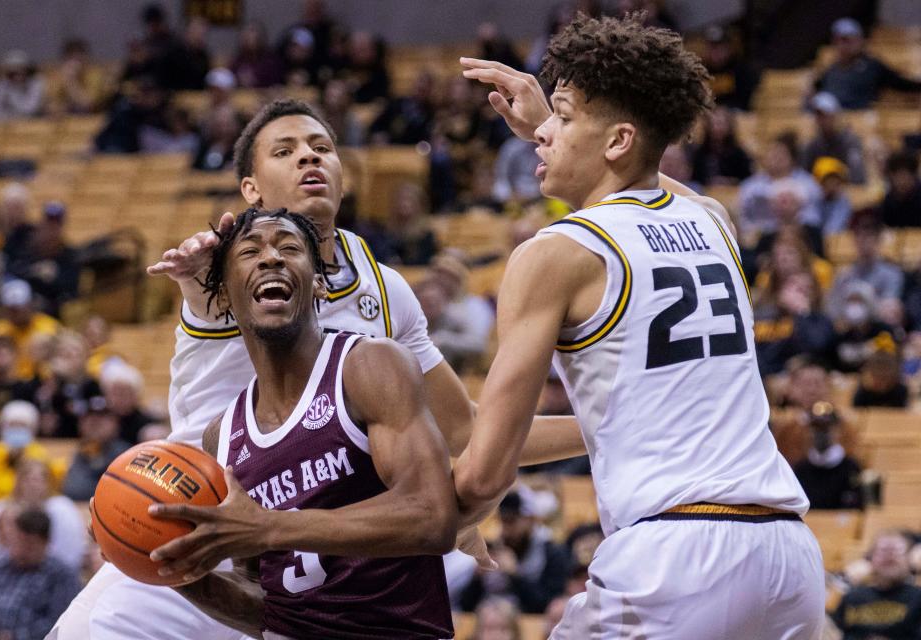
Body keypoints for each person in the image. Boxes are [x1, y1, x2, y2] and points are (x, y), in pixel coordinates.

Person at [49, 98, 583, 640]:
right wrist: (195, 277)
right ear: (251, 188)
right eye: (285, 151)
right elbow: (206, 286)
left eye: (321, 148)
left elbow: (466, 431)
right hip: (194, 519)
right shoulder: (229, 266)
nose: (309, 157)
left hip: (321, 548)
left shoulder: (385, 288)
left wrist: (605, 428)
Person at [456, 14, 823, 638]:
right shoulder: (713, 223)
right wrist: (557, 123)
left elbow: (486, 472)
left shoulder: (554, 254)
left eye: (564, 118)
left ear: (618, 140)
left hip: (674, 557)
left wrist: (443, 516)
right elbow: (649, 178)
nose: (545, 135)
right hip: (789, 558)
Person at [149, 208, 457, 639]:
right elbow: (266, 606)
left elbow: (432, 517)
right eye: (250, 251)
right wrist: (168, 567)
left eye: (289, 248)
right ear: (225, 296)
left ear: (318, 285)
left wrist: (269, 527)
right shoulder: (223, 435)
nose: (271, 258)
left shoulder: (368, 365)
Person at [0, 508, 80, 640]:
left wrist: (12, 637)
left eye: (30, 545)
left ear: (46, 543)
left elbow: (59, 625)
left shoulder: (61, 576)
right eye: (18, 541)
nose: (21, 550)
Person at [459, 491, 569, 614]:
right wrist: (477, 579)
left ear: (530, 520)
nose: (506, 530)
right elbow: (465, 606)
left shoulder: (552, 553)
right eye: (503, 521)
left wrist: (515, 575)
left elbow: (547, 607)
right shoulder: (492, 549)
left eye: (511, 521)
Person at [0, 458, 87, 571]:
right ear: (18, 482)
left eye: (39, 480)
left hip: (53, 573)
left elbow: (71, 553)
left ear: (49, 483)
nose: (33, 485)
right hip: (6, 573)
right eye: (28, 480)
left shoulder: (62, 509)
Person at [815, 18, 921, 110]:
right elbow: (818, 94)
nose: (843, 45)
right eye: (839, 40)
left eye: (847, 40)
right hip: (833, 120)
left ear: (860, 40)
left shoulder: (873, 66)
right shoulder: (830, 70)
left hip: (860, 120)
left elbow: (900, 83)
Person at [833, 531, 921, 638]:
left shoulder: (917, 598)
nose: (890, 556)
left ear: (909, 560)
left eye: (897, 551)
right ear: (870, 559)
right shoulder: (852, 597)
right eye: (883, 551)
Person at [0, 401, 61, 503]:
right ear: (3, 427)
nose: (17, 429)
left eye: (22, 426)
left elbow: (47, 488)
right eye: (13, 425)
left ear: (32, 428)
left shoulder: (40, 454)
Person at [791, 401, 863, 510]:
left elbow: (855, 507)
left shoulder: (850, 468)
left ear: (837, 430)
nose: (820, 434)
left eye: (825, 428)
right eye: (815, 428)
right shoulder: (801, 469)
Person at [0, 279, 61, 382]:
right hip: (8, 382)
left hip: (40, 381)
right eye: (11, 309)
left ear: (30, 304)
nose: (16, 313)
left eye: (19, 308)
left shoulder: (50, 327)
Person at [61, 396, 130, 501]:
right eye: (90, 417)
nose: (95, 422)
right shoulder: (80, 451)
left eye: (102, 417)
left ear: (115, 423)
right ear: (81, 424)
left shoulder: (126, 454)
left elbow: (123, 493)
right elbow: (72, 489)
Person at [800, 92, 866, 184]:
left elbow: (858, 177)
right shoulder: (812, 146)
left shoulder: (850, 142)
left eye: (825, 115)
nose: (821, 120)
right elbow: (804, 177)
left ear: (835, 116)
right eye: (818, 115)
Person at [0, 50, 45, 121]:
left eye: (21, 72)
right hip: (8, 125)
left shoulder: (36, 83)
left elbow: (31, 109)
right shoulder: (2, 84)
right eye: (13, 73)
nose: (17, 77)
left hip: (34, 126)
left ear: (27, 70)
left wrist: (11, 96)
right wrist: (7, 118)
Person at [880, 150, 921, 228]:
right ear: (891, 177)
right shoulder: (888, 200)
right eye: (898, 177)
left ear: (914, 176)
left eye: (906, 176)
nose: (902, 182)